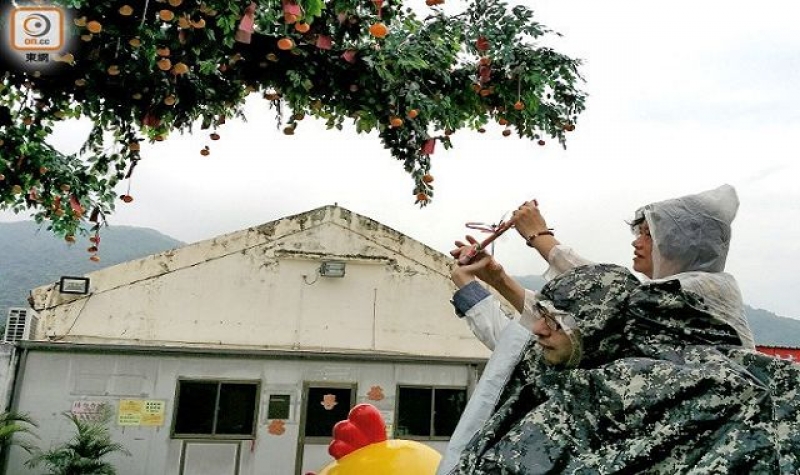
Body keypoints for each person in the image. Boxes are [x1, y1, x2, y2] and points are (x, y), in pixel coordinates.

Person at [443, 264, 800, 474]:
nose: (538, 330)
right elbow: (510, 345)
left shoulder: (639, 388)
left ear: (596, 326)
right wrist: (482, 282)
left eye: (555, 320)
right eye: (540, 315)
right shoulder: (554, 371)